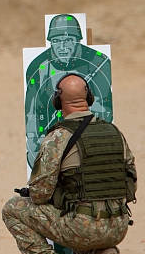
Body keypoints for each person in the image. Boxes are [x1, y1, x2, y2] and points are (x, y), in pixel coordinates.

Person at [3, 74, 137, 254]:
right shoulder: (114, 133)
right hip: (118, 225)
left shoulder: (58, 138)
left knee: (12, 209)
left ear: (58, 101)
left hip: (82, 227)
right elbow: (131, 182)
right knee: (76, 215)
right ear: (89, 98)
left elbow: (39, 194)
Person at [24, 14, 113, 169]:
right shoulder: (37, 67)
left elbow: (105, 112)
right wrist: (37, 161)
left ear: (77, 40)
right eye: (57, 41)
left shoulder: (99, 63)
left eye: (68, 40)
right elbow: (32, 116)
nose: (63, 47)